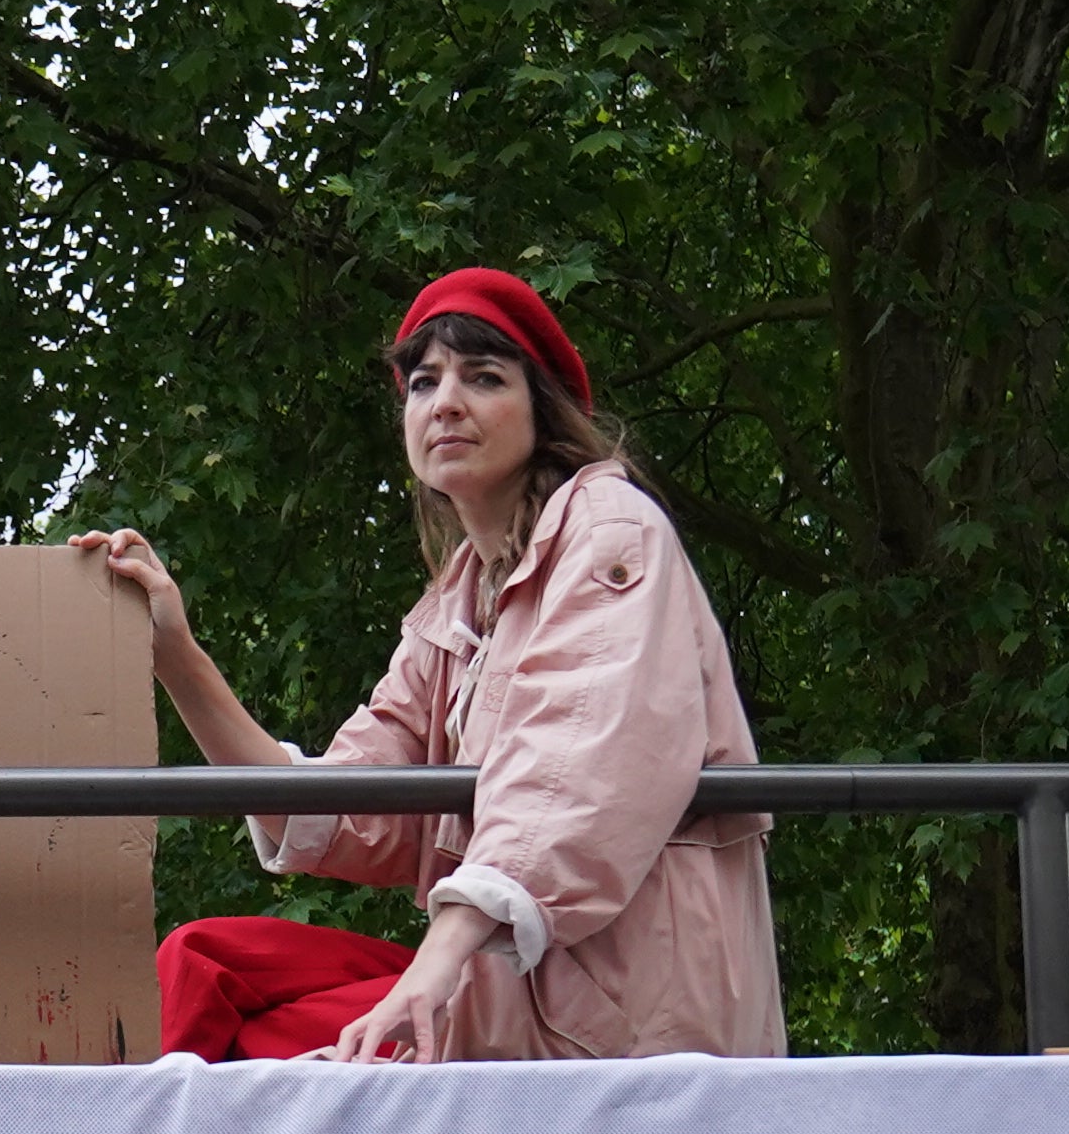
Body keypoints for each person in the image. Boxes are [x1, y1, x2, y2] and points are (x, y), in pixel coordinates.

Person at [80, 267, 785, 1061]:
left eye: (483, 378)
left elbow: (571, 768)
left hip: (616, 1010)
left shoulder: (613, 532)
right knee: (204, 965)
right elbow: (353, 804)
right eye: (423, 383)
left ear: (541, 408)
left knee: (268, 1069)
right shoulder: (457, 603)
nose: (445, 401)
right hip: (502, 987)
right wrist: (176, 655)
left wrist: (431, 969)